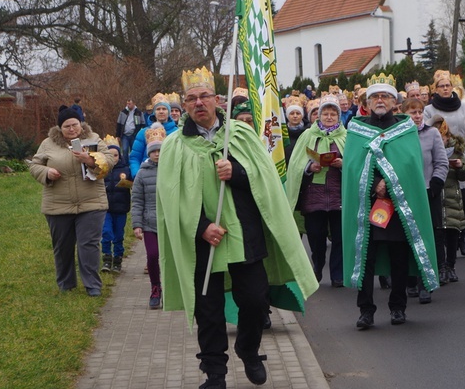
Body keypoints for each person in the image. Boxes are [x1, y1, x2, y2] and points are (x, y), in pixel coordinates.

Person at [156, 66, 318, 388]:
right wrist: (201, 227)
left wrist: (238, 173)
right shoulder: (175, 146)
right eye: (191, 99)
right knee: (210, 310)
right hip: (203, 242)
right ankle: (215, 373)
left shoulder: (241, 136)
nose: (199, 103)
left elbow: (266, 183)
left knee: (256, 301)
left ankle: (248, 348)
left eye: (204, 96)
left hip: (245, 235)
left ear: (217, 100)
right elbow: (170, 199)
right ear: (184, 106)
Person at [343, 73, 439, 329]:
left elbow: (410, 165)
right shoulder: (357, 129)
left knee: (398, 257)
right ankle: (366, 310)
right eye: (375, 96)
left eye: (385, 95)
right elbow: (353, 167)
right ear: (368, 101)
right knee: (366, 258)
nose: (380, 100)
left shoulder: (405, 129)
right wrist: (375, 184)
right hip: (368, 206)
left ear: (394, 100)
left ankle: (398, 306)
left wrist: (390, 182)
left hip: (397, 206)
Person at [30, 105, 113, 296]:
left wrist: (91, 159)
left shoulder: (94, 139)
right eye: (67, 126)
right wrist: (46, 172)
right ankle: (66, 285)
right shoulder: (48, 144)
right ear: (60, 128)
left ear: (81, 124)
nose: (72, 129)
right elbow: (34, 165)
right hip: (58, 205)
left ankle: (93, 286)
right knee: (62, 247)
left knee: (88, 245)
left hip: (91, 202)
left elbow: (109, 160)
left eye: (75, 124)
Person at [286, 95, 347, 287]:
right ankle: (318, 265)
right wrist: (309, 167)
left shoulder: (347, 137)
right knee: (316, 236)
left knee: (339, 237)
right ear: (318, 116)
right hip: (314, 195)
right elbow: (295, 164)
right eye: (325, 114)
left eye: (333, 114)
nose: (329, 117)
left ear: (339, 117)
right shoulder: (307, 135)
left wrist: (342, 164)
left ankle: (338, 275)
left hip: (339, 195)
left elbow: (355, 164)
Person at [424, 70, 465, 257]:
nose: (445, 88)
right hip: (439, 160)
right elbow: (427, 133)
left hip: (462, 156)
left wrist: (462, 152)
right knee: (445, 201)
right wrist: (440, 155)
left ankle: (461, 236)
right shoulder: (429, 110)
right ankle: (446, 237)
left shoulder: (463, 107)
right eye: (441, 86)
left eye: (448, 85)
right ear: (435, 89)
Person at [401, 99, 447, 304]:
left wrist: (436, 181)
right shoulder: (399, 136)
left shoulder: (432, 133)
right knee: (407, 237)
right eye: (412, 112)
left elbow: (442, 161)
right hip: (406, 193)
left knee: (429, 237)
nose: (417, 115)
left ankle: (425, 283)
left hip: (429, 192)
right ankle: (409, 279)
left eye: (420, 112)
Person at [427, 116, 465, 285]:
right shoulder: (428, 150)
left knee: (453, 234)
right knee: (438, 234)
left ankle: (451, 265)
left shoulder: (455, 150)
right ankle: (441, 266)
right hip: (435, 197)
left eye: (442, 137)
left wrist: (460, 167)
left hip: (451, 197)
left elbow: (464, 175)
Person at [131, 123, 166, 309]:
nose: (157, 154)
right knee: (152, 256)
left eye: (160, 150)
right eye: (154, 151)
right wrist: (137, 224)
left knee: (171, 258)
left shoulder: (171, 170)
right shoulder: (142, 175)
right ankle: (155, 287)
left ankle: (172, 289)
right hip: (149, 222)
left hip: (169, 222)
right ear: (149, 153)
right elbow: (137, 201)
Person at [101, 135, 132, 274]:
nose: (113, 158)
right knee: (106, 232)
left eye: (116, 155)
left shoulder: (126, 169)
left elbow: (133, 183)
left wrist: (128, 183)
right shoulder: (102, 170)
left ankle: (118, 258)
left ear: (120, 156)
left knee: (119, 234)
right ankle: (107, 257)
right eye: (110, 155)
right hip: (105, 208)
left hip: (121, 208)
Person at [129, 93, 179, 177]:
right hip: (147, 176)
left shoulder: (177, 132)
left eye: (164, 109)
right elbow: (134, 157)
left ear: (169, 112)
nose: (161, 111)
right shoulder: (143, 133)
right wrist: (137, 175)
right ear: (154, 112)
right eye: (158, 109)